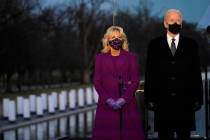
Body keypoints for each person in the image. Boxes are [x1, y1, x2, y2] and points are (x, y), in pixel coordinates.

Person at [144, 9, 203, 140]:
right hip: (163, 102)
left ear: (181, 24)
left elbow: (196, 73)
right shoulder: (154, 45)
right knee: (165, 135)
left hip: (185, 101)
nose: (175, 23)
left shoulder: (191, 44)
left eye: (178, 21)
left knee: (184, 135)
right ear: (165, 24)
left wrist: (199, 98)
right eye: (171, 21)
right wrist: (149, 98)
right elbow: (150, 73)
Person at [92, 26, 144, 140]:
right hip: (106, 106)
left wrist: (123, 100)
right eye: (113, 37)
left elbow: (135, 81)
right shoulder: (100, 58)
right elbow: (97, 82)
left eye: (119, 37)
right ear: (107, 40)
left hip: (127, 104)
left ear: (123, 39)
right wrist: (108, 100)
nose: (116, 39)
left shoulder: (131, 57)